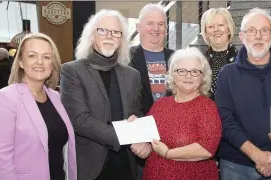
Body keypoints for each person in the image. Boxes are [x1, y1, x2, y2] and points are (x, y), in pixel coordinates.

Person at [215, 7, 271, 180]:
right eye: (251, 31)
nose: (258, 36)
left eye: (264, 30)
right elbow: (225, 121)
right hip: (236, 166)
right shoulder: (227, 74)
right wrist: (257, 155)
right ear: (242, 37)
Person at [60, 9, 151, 180]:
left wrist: (142, 136)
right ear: (92, 35)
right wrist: (128, 137)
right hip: (91, 168)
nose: (109, 36)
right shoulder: (72, 71)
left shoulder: (132, 75)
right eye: (103, 30)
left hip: (126, 166)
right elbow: (79, 120)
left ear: (122, 40)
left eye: (116, 32)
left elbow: (136, 113)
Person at [0, 33, 77, 180]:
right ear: (20, 62)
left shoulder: (56, 98)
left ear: (52, 65)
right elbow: (1, 164)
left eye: (46, 57)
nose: (40, 62)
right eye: (32, 55)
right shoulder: (4, 99)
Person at [142, 47, 222, 180]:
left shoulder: (207, 107)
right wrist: (133, 124)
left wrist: (168, 153)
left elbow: (206, 149)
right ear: (172, 75)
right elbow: (145, 133)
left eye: (195, 71)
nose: (188, 76)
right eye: (182, 71)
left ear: (203, 77)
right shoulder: (160, 105)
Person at [129, 5, 174, 177]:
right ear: (138, 27)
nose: (156, 29)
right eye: (150, 23)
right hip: (141, 148)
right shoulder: (125, 59)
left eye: (161, 24)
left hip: (175, 145)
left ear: (166, 29)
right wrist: (138, 137)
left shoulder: (178, 58)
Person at [200, 8, 237, 100]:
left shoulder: (244, 60)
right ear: (206, 33)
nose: (216, 30)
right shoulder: (199, 63)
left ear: (229, 29)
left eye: (220, 25)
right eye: (211, 26)